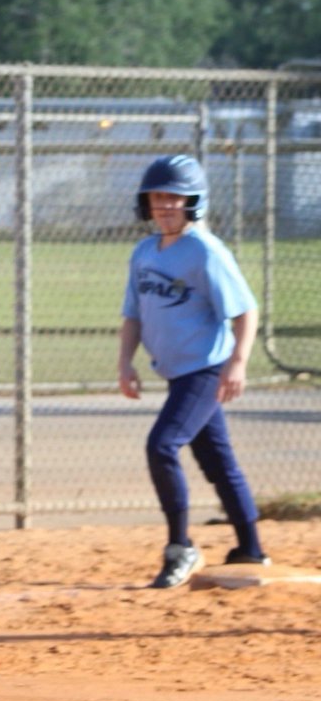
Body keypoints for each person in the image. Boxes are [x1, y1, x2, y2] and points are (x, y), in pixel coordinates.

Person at [118, 154, 269, 589]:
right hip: (176, 372)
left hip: (205, 370)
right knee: (217, 461)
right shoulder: (144, 252)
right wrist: (125, 362)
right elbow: (133, 315)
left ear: (193, 203)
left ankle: (180, 547)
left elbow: (245, 310)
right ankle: (251, 548)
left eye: (174, 198)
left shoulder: (204, 250)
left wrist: (237, 363)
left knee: (162, 445)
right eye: (157, 197)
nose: (165, 206)